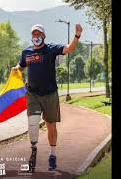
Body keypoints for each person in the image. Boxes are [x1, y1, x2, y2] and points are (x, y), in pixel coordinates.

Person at [12, 23, 83, 172]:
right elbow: (21, 65)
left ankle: (52, 154)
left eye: (39, 34)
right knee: (33, 123)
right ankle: (33, 152)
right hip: (32, 94)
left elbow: (69, 48)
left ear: (43, 36)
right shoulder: (26, 52)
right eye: (34, 34)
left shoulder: (50, 49)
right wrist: (16, 68)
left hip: (50, 94)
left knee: (51, 126)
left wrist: (77, 35)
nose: (36, 37)